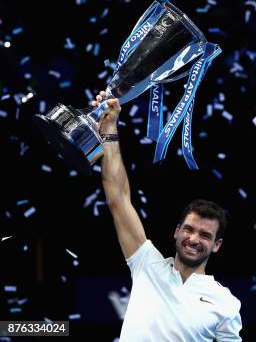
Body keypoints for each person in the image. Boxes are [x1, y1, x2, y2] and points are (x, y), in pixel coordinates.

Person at [92, 90, 242, 341]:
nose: (194, 239)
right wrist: (109, 128)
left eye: (205, 235)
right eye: (189, 229)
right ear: (176, 231)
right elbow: (117, 196)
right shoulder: (147, 264)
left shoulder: (226, 303)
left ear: (217, 245)